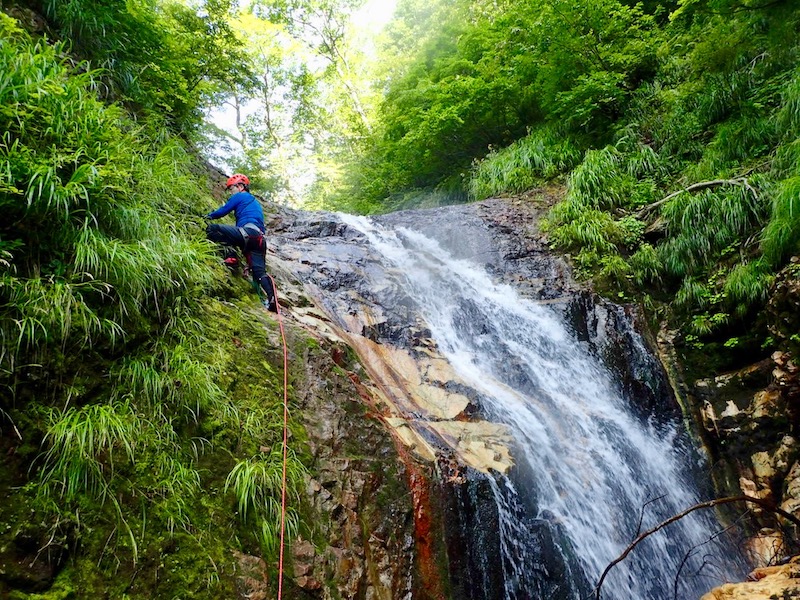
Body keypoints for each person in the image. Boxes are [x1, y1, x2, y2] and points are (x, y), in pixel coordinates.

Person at [206, 174, 277, 312]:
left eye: (232, 188)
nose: (231, 192)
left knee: (214, 229)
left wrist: (208, 216)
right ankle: (272, 299)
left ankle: (231, 257)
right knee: (259, 273)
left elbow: (223, 211)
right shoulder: (255, 203)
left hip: (247, 233)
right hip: (259, 240)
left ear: (240, 186)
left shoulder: (241, 196)